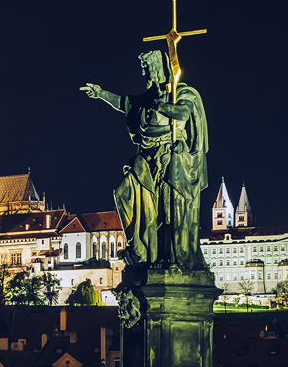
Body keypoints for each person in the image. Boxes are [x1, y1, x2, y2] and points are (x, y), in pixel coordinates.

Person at [80, 49, 208, 271]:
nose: (144, 73)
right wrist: (101, 93)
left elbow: (184, 114)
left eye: (147, 69)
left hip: (170, 158)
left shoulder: (181, 93)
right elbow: (124, 103)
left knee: (168, 210)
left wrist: (160, 104)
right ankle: (138, 248)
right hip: (145, 159)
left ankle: (167, 256)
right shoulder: (147, 99)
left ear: (159, 70)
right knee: (122, 192)